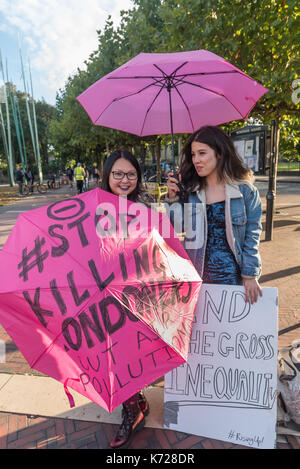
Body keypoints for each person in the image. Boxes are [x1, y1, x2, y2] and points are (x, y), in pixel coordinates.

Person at [166, 125, 263, 305]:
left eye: (202, 153)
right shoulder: (190, 192)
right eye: (193, 154)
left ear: (219, 153)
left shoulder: (245, 192)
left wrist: (250, 274)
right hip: (196, 276)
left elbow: (252, 235)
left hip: (233, 279)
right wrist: (173, 199)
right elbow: (175, 229)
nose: (196, 160)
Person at [101, 149, 152, 449]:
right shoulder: (94, 207)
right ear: (107, 175)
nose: (124, 179)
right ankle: (133, 407)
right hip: (105, 294)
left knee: (130, 355)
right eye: (117, 173)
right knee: (114, 355)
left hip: (138, 291)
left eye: (131, 174)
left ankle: (132, 409)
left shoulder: (145, 206)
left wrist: (173, 203)